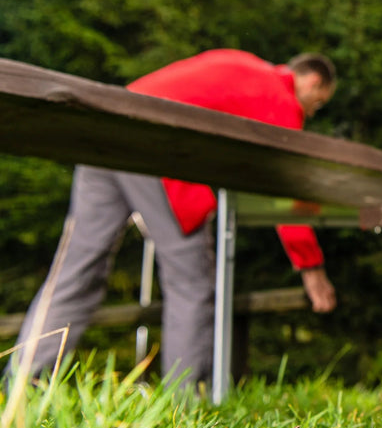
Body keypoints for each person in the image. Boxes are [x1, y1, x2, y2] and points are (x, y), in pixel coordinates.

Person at [12, 50, 338, 386]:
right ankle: (182, 403)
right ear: (312, 81)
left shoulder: (241, 62)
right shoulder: (280, 98)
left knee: (75, 269)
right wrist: (310, 267)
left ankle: (22, 386)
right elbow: (286, 189)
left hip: (104, 129)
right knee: (191, 281)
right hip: (153, 145)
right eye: (319, 101)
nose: (312, 110)